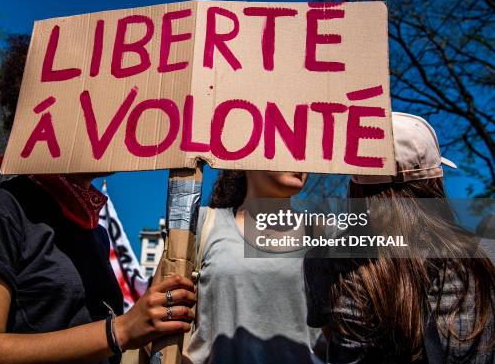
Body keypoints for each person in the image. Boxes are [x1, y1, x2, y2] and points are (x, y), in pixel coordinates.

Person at [0, 36, 197, 364]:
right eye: (108, 107)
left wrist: (152, 333)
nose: (124, 121)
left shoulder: (94, 231)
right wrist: (121, 329)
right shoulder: (0, 207)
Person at [304, 112, 495, 363]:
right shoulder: (485, 255)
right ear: (433, 182)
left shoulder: (325, 259)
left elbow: (330, 337)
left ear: (356, 185)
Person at [185, 170, 321, 364]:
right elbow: (158, 326)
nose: (300, 158)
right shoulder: (202, 225)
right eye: (288, 143)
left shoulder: (327, 235)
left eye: (305, 148)